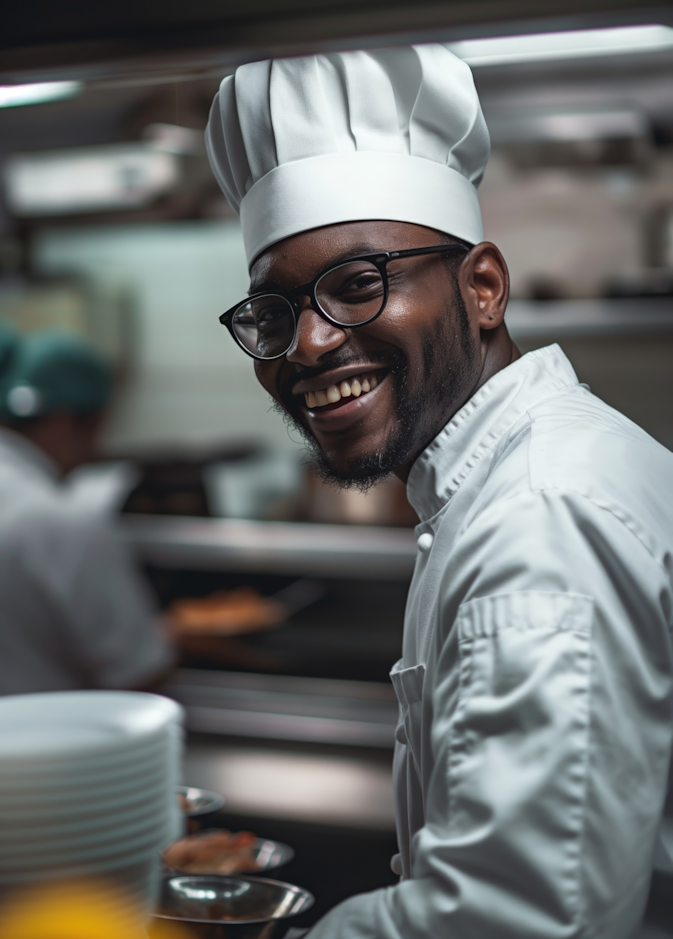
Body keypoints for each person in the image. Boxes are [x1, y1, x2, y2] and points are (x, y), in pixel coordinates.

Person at [205, 46, 673, 939]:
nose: (305, 346)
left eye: (356, 284)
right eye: (273, 312)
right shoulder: (510, 478)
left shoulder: (543, 518)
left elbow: (519, 921)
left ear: (483, 288)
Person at [0, 326, 173, 695]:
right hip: (52, 745)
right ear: (67, 421)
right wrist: (172, 640)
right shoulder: (62, 521)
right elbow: (138, 673)